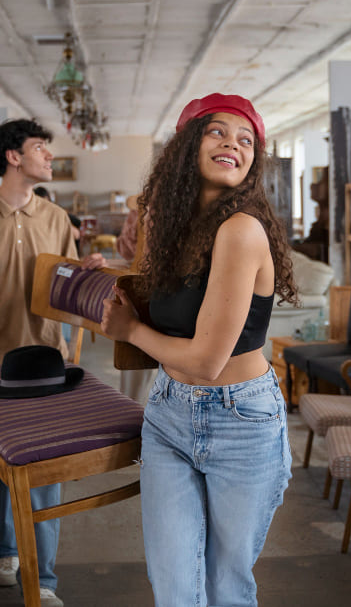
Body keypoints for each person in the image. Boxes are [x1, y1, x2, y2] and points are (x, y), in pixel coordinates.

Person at [101, 93, 298, 606]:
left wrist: (130, 331)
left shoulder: (241, 230)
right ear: (187, 145)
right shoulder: (174, 229)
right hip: (169, 413)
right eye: (218, 132)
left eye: (246, 139)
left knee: (224, 587)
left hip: (241, 422)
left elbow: (208, 362)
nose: (233, 143)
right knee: (174, 589)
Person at [0, 118, 105, 607]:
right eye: (41, 149)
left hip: (46, 367)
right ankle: (7, 548)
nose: (49, 157)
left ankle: (45, 579)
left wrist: (87, 277)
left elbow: (68, 298)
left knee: (44, 475)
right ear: (13, 156)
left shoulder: (58, 220)